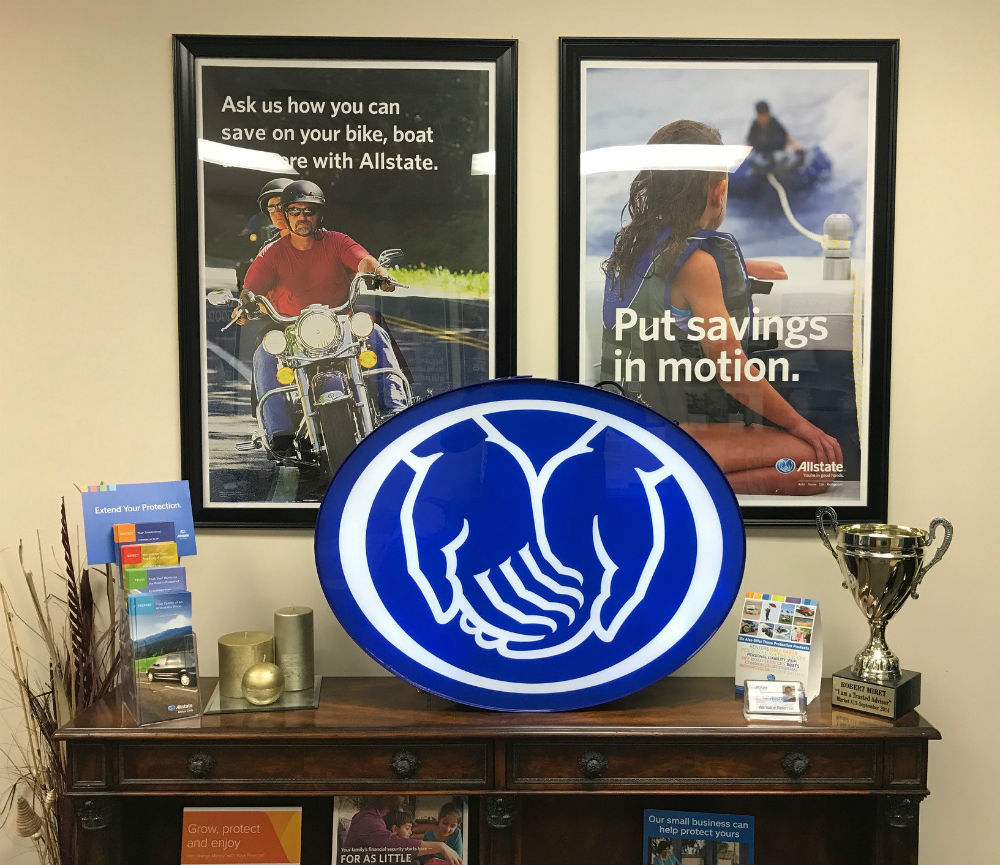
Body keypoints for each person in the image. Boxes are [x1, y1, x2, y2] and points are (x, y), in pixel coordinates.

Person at [601, 120, 842, 495]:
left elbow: (668, 279)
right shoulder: (697, 267)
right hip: (665, 438)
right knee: (815, 466)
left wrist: (742, 268)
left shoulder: (630, 244)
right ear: (719, 190)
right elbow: (732, 372)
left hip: (627, 429)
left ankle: (678, 483)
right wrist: (801, 425)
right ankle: (681, 489)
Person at [236, 179, 407, 451]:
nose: (302, 217)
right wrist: (243, 305)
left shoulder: (337, 241)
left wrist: (380, 273)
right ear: (286, 215)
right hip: (292, 330)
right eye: (294, 211)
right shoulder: (271, 253)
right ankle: (279, 432)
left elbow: (362, 259)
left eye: (309, 211)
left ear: (319, 215)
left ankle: (394, 410)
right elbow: (251, 288)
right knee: (264, 353)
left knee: (375, 332)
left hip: (340, 324)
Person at [340, 797, 461, 865]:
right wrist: (440, 846)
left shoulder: (381, 816)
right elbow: (393, 844)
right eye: (402, 795)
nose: (406, 799)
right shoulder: (368, 819)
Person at [745, 100, 804, 172]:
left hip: (774, 146)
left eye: (764, 116)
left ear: (768, 114)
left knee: (778, 141)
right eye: (760, 116)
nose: (762, 119)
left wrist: (795, 145)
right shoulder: (755, 123)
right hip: (762, 148)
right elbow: (749, 140)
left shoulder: (773, 121)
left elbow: (785, 135)